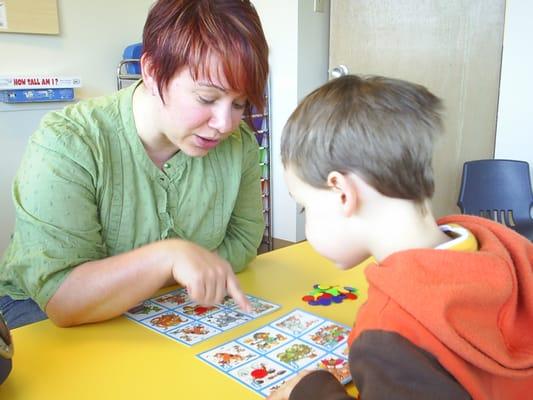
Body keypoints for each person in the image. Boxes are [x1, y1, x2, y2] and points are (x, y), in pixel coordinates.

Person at [0, 0, 269, 329]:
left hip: (164, 306)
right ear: (153, 73)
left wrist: (174, 276)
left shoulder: (238, 143)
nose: (225, 123)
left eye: (239, 103)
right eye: (207, 99)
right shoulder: (67, 142)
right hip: (37, 316)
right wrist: (168, 259)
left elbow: (244, 240)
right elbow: (62, 297)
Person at [268, 75, 533, 399]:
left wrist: (310, 392)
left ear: (341, 193)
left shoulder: (388, 336)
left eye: (303, 207)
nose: (306, 219)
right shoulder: (505, 243)